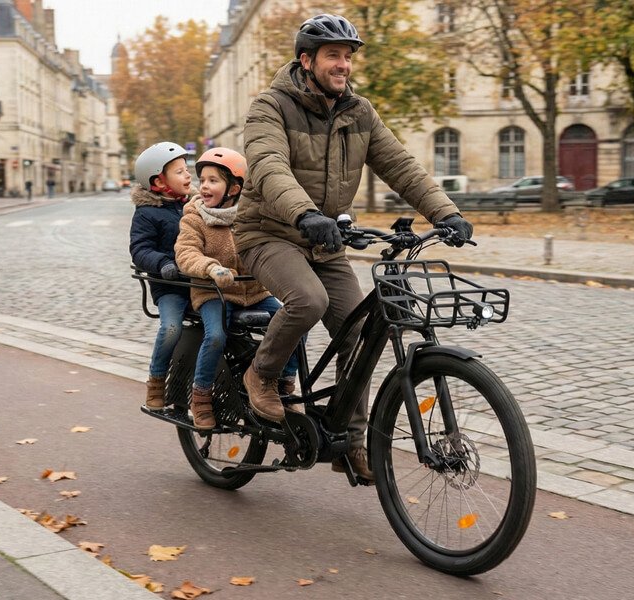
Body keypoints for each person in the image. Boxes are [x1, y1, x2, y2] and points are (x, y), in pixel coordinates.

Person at [233, 14, 473, 479]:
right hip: (268, 233)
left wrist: (446, 212)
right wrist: (304, 214)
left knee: (361, 331)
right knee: (308, 299)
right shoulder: (270, 106)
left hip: (326, 242)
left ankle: (349, 441)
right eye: (332, 56)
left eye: (347, 56)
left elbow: (401, 165)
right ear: (307, 60)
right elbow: (268, 166)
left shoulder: (359, 112)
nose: (343, 64)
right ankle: (260, 376)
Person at [174, 148, 298, 430]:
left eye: (213, 180)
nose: (204, 186)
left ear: (235, 188)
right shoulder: (194, 217)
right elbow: (185, 252)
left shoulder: (250, 217)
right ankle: (201, 395)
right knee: (216, 336)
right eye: (202, 180)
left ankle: (283, 385)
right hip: (214, 294)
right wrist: (211, 268)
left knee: (294, 323)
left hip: (254, 293)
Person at [128, 141, 195, 411]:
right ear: (159, 181)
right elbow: (139, 250)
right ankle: (156, 381)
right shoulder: (146, 213)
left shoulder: (195, 206)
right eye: (179, 171)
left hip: (201, 281)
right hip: (170, 285)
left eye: (186, 169)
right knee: (171, 328)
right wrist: (164, 263)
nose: (188, 175)